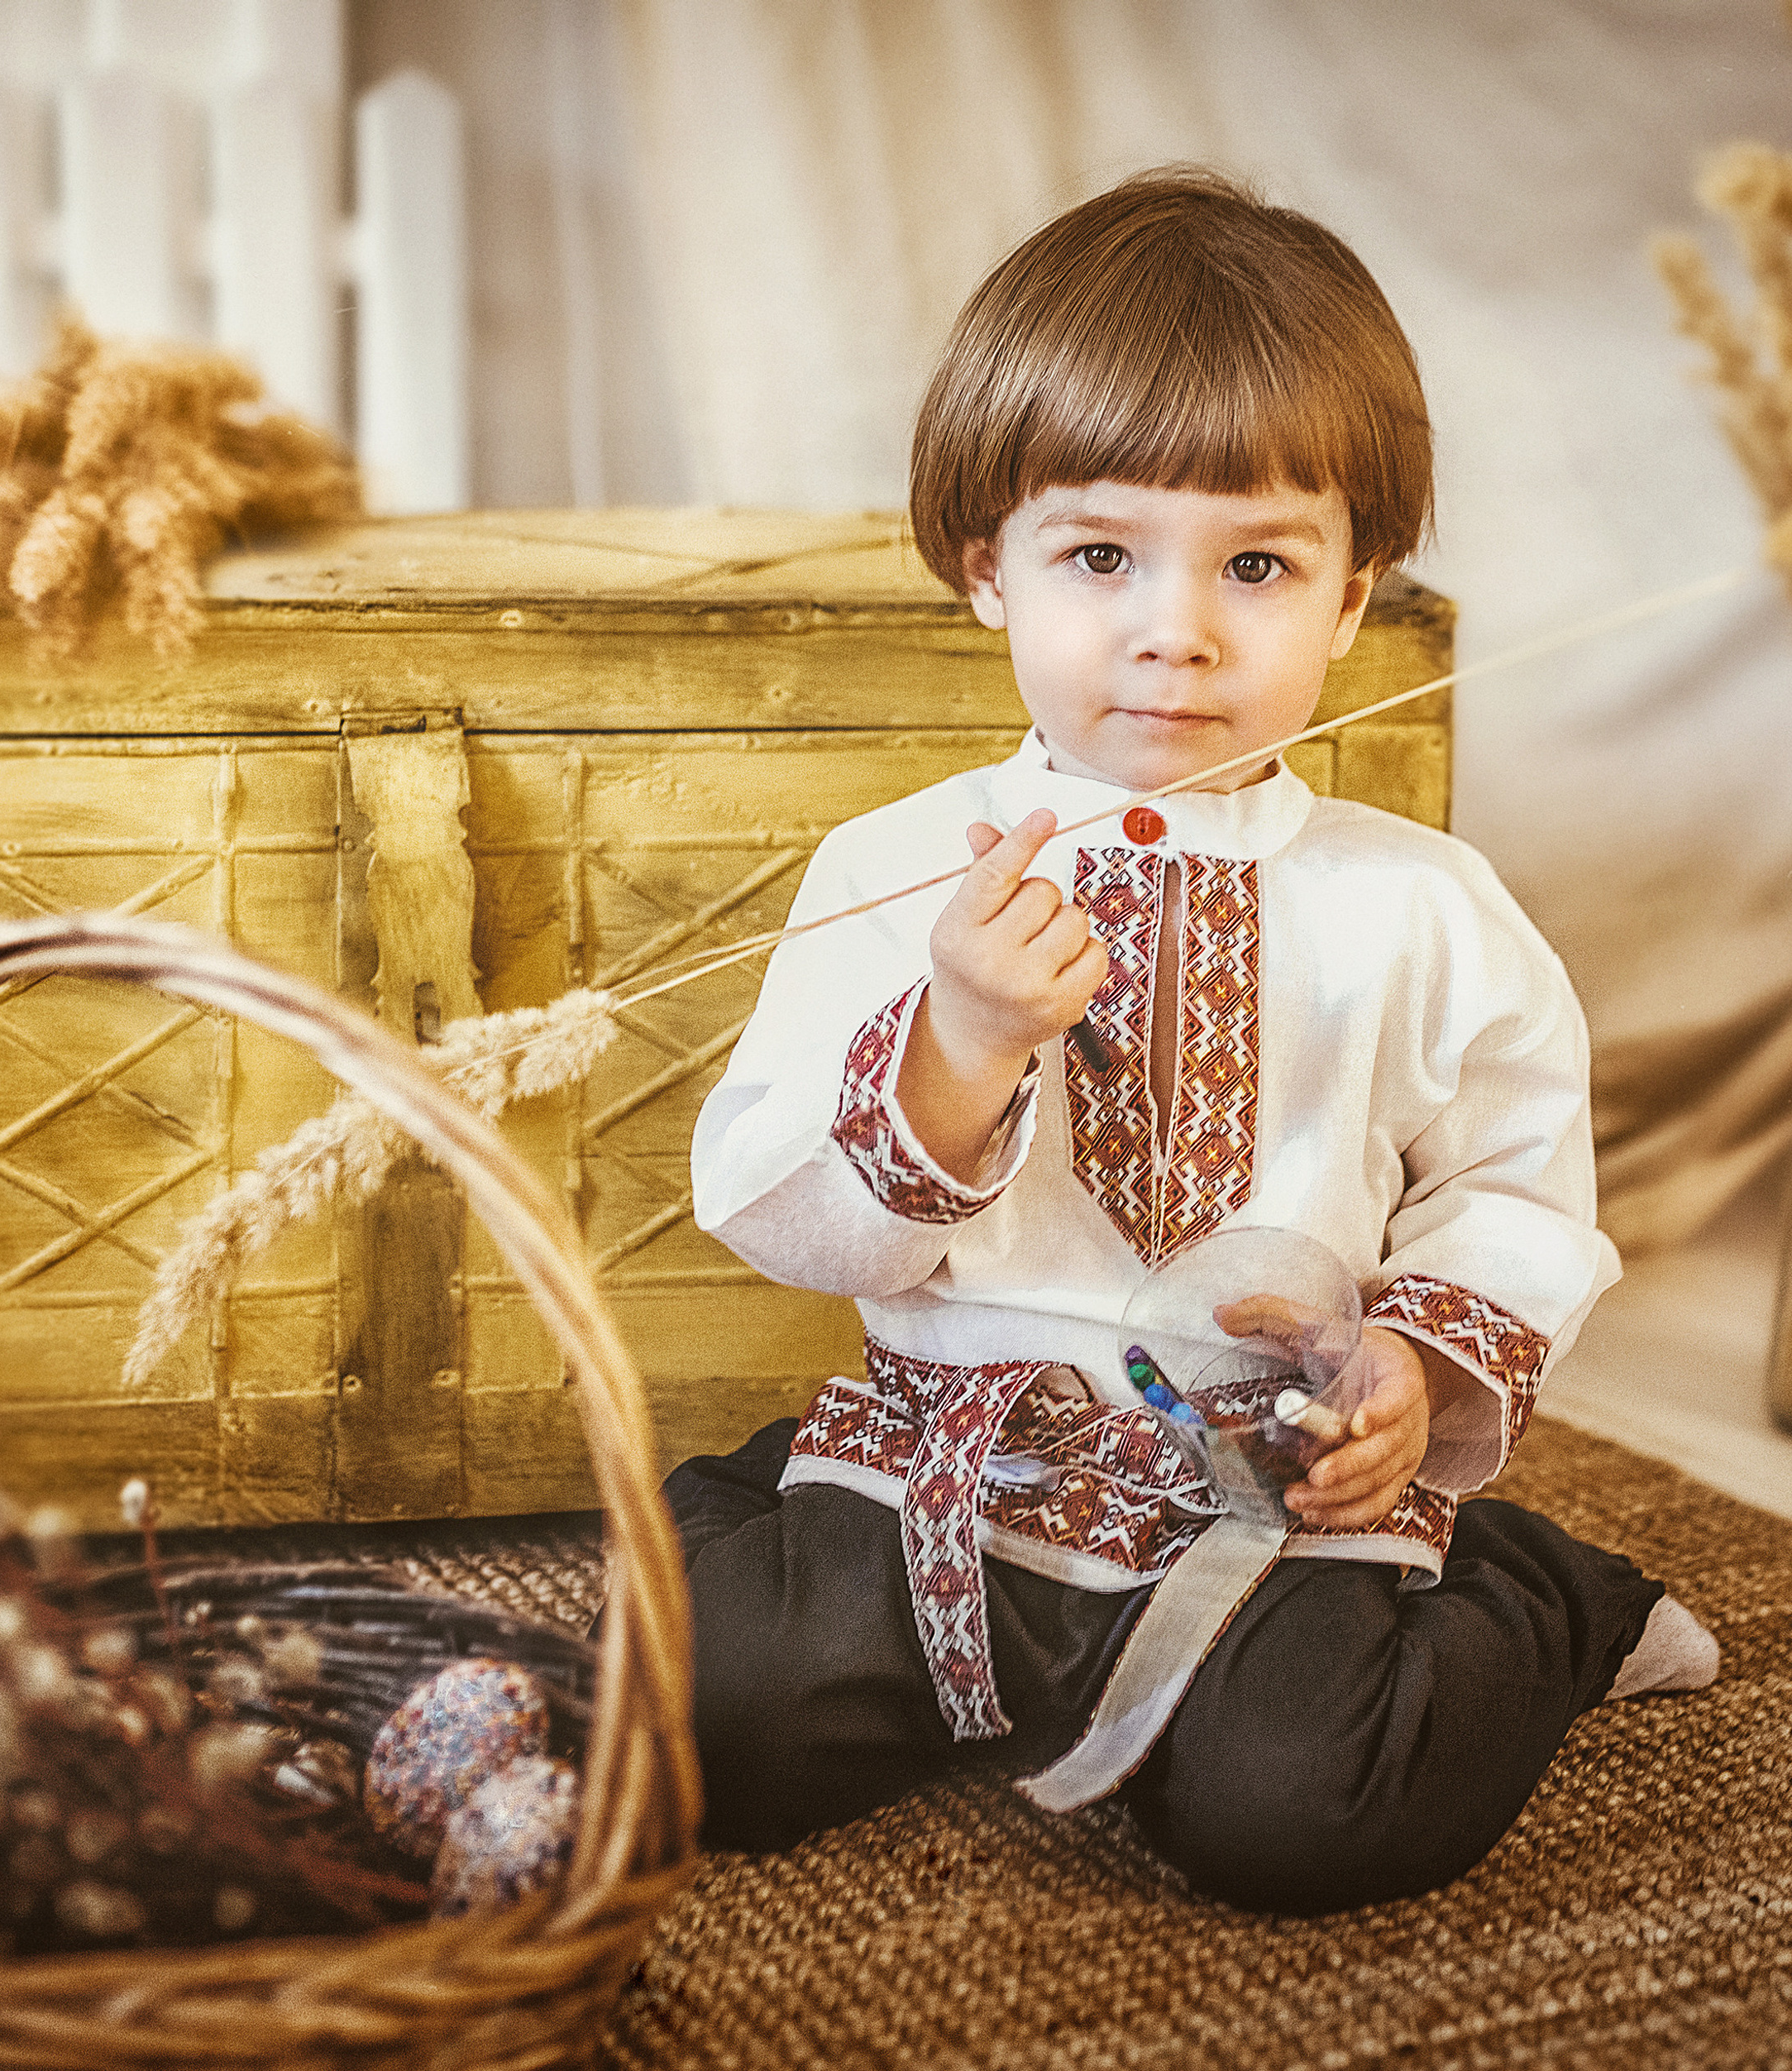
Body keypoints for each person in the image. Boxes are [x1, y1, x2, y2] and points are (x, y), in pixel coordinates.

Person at [673, 166, 1718, 1914]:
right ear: (984, 568)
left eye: (1255, 564)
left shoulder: (1424, 903)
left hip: (1269, 1489)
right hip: (960, 1464)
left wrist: (1412, 1367)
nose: (1177, 630)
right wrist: (959, 1040)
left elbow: (1513, 1191)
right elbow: (779, 1205)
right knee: (701, 1727)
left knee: (1307, 1811)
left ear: (1352, 595)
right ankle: (774, 1504)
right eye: (1100, 555)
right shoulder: (893, 869)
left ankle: (1549, 1594)